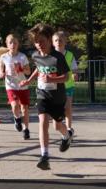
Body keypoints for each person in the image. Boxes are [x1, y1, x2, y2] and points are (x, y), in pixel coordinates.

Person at [23, 23, 71, 170]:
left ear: (50, 40)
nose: (39, 45)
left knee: (58, 126)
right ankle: (44, 156)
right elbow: (38, 69)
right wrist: (29, 80)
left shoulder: (58, 57)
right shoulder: (35, 55)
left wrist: (51, 79)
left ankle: (66, 136)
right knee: (43, 122)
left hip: (57, 97)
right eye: (36, 42)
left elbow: (67, 77)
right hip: (42, 94)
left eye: (42, 41)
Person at [0, 34, 31, 139]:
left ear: (18, 44)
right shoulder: (3, 57)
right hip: (11, 85)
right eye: (10, 43)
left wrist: (21, 69)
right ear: (7, 44)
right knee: (14, 105)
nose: (13, 45)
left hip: (22, 85)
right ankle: (17, 119)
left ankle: (26, 129)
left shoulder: (22, 57)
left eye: (15, 43)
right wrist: (2, 74)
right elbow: (1, 71)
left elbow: (28, 72)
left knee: (24, 108)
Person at [53, 31, 79, 140]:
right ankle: (61, 127)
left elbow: (74, 68)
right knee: (58, 110)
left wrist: (74, 74)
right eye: (56, 40)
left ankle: (68, 128)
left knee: (67, 108)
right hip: (55, 87)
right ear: (53, 42)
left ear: (65, 42)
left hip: (68, 85)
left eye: (61, 40)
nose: (58, 42)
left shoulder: (69, 55)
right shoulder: (51, 55)